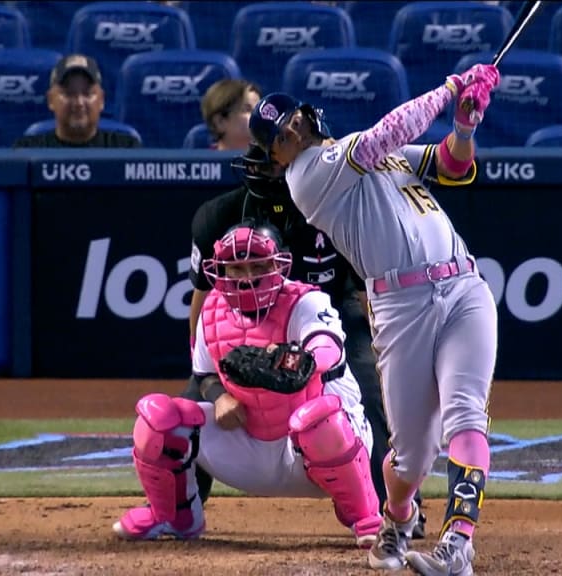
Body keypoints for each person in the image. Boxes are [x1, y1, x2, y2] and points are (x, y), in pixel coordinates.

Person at [247, 63, 501, 575]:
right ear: (276, 156)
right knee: (410, 456)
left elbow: (451, 165)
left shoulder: (373, 158)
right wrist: (450, 87)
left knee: (465, 415)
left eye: (291, 118)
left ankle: (458, 543)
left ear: (305, 114)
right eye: (279, 136)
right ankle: (397, 516)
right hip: (400, 308)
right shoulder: (309, 175)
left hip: (463, 288)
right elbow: (387, 132)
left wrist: (466, 125)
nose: (291, 130)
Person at [182, 143, 427, 539]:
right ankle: (179, 507)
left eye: (283, 163)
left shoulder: (339, 209)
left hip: (326, 312)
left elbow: (370, 288)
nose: (277, 173)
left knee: (370, 392)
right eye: (269, 165)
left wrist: (381, 352)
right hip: (246, 320)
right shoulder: (219, 216)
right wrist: (205, 373)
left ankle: (391, 510)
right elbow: (202, 299)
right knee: (190, 404)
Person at [113, 223, 382, 550]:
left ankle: (365, 516)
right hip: (250, 442)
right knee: (157, 420)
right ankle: (174, 516)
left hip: (312, 451)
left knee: (319, 419)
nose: (246, 276)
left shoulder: (306, 302)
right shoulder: (211, 310)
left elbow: (326, 350)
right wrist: (219, 396)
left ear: (278, 265)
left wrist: (284, 360)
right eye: (237, 267)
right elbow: (204, 374)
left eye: (257, 266)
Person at [12, 53, 140, 148]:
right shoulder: (28, 149)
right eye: (68, 94)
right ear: (51, 100)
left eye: (87, 94)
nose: (79, 103)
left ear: (101, 100)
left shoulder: (126, 148)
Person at [199, 79, 262, 150]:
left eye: (259, 109)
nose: (259, 115)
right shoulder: (203, 160)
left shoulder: (274, 158)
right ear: (220, 122)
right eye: (247, 109)